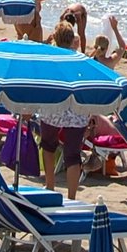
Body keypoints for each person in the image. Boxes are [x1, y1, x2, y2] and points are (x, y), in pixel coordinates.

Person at [38, 20, 87, 199]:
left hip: (53, 107)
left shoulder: (49, 59)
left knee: (48, 145)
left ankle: (50, 185)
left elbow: (42, 83)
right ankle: (72, 196)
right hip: (75, 110)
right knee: (72, 154)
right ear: (72, 39)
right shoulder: (81, 61)